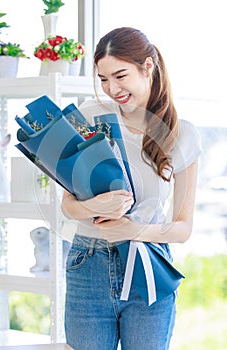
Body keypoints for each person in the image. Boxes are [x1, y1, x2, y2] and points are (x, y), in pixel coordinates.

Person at [61, 27, 202, 350]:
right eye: (103, 79)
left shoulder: (183, 135)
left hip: (149, 265)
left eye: (120, 75)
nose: (112, 88)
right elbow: (67, 205)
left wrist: (131, 228)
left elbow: (182, 228)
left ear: (147, 67)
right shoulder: (89, 118)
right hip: (88, 264)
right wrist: (96, 207)